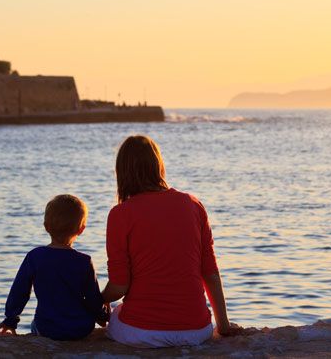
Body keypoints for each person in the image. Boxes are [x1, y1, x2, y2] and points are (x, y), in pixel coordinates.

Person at [102, 135, 240, 348]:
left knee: (116, 314)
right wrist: (223, 326)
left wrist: (97, 299)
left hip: (142, 333)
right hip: (196, 331)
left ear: (123, 172)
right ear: (158, 165)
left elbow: (119, 286)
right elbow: (210, 273)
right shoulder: (193, 205)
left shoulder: (120, 214)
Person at [0, 194, 109, 340]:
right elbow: (93, 299)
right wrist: (103, 315)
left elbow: (19, 292)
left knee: (35, 324)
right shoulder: (84, 261)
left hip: (47, 328)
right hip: (81, 328)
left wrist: (10, 320)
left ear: (46, 227)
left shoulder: (35, 257)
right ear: (81, 229)